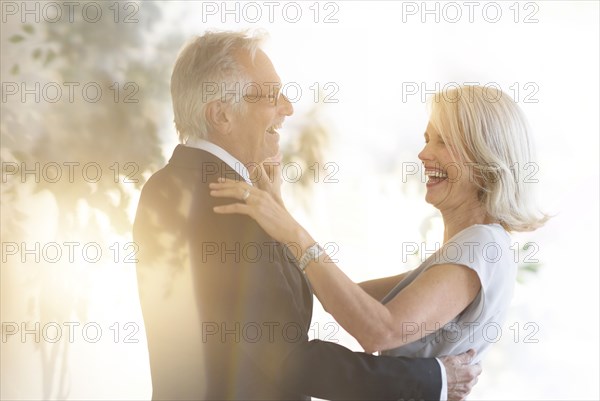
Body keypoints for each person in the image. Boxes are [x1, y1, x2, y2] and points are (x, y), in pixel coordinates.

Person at [133, 30, 481, 400]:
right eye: (272, 95)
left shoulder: (170, 187)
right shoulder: (231, 205)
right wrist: (431, 379)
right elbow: (289, 361)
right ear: (221, 114)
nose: (287, 108)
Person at [210, 85, 548, 369]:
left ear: (485, 157)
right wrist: (279, 208)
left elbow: (378, 330)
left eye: (443, 142)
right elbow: (343, 299)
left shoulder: (480, 246)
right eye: (428, 139)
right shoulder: (473, 247)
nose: (423, 154)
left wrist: (294, 233)